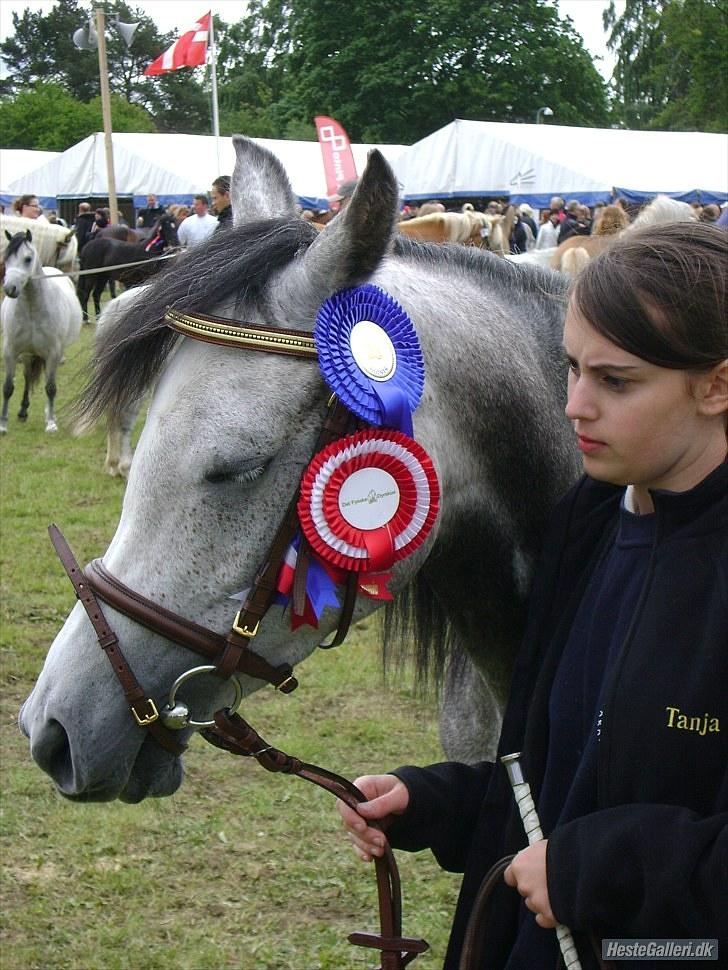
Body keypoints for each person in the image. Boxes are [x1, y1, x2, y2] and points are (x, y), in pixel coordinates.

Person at [337, 222, 728, 969]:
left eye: (615, 381)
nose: (575, 405)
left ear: (716, 385)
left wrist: (599, 871)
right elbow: (549, 774)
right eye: (571, 367)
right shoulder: (588, 521)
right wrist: (434, 804)